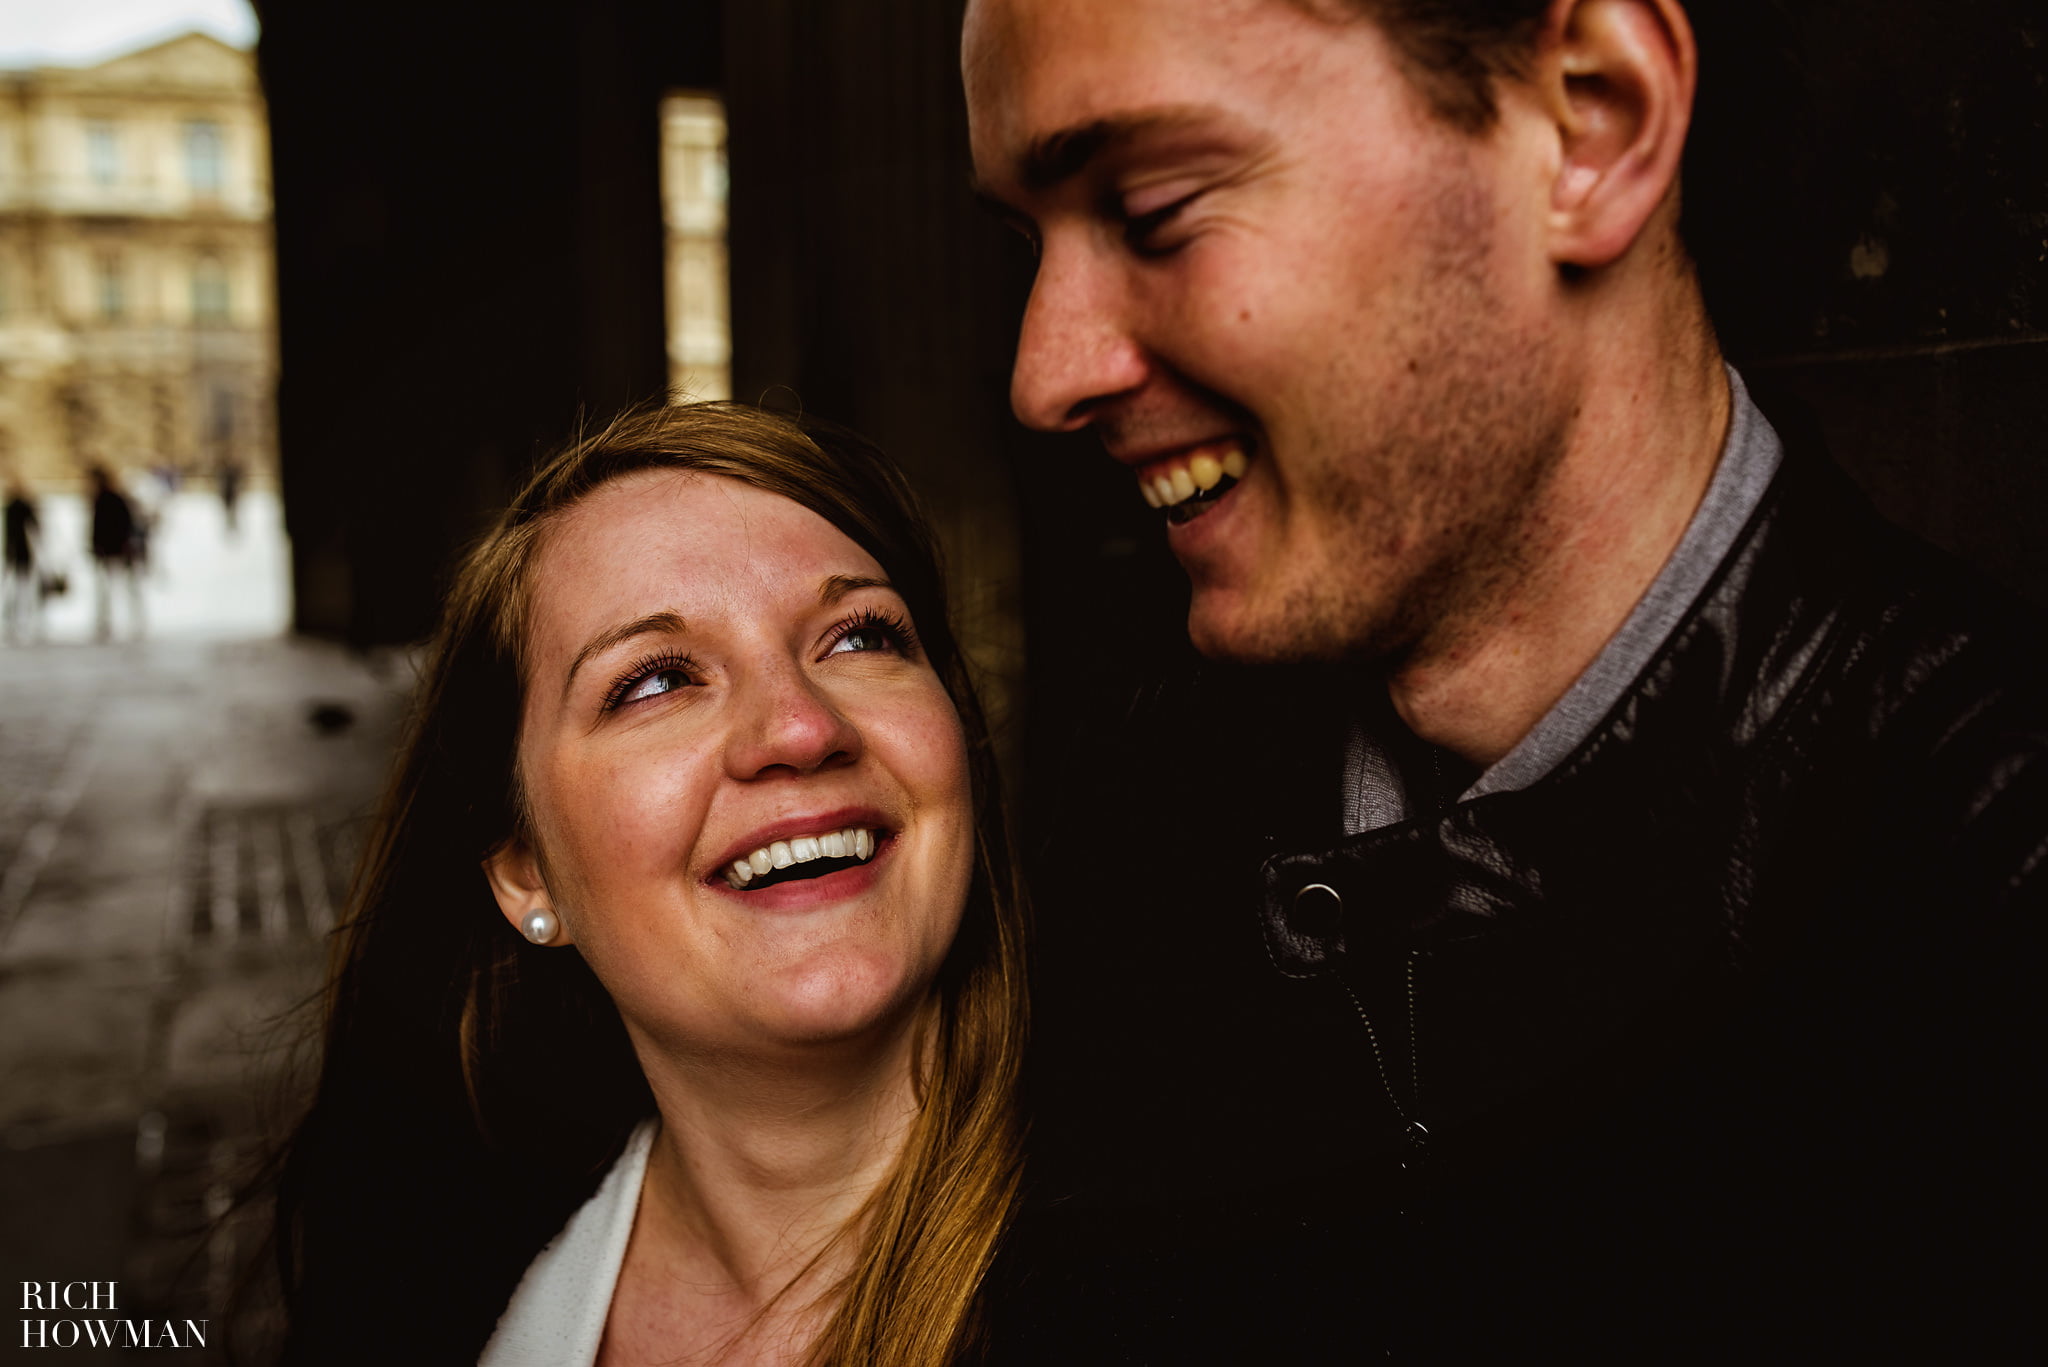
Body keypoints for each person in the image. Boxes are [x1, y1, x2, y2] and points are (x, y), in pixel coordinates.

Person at [963, 0, 2041, 1359]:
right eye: (1025, 245)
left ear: (1593, 124)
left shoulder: (1988, 868)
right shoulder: (1139, 809)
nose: (1043, 371)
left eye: (1158, 210)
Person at [272, 403, 1027, 1366]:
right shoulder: (439, 1309)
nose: (799, 726)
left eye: (860, 636)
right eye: (656, 681)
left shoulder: (1196, 1264)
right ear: (524, 868)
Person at [87, 465, 144, 640]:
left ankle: (127, 620)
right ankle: (108, 621)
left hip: (116, 552)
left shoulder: (110, 500)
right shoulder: (103, 500)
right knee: (109, 589)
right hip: (110, 552)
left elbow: (122, 527)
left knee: (118, 588)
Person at [3, 475, 39, 643]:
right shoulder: (16, 507)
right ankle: (18, 619)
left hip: (19, 553)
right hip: (20, 553)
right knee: (20, 588)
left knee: (20, 588)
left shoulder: (16, 507)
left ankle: (20, 619)